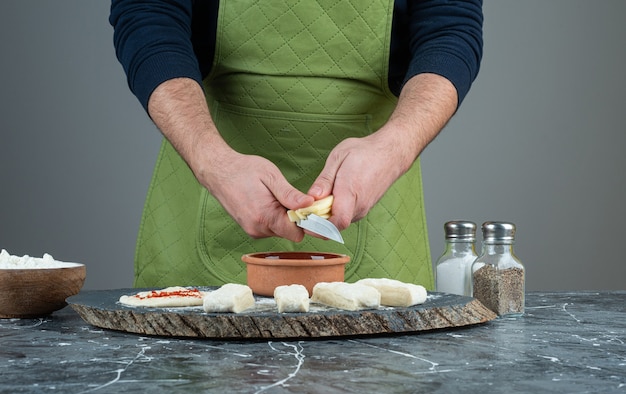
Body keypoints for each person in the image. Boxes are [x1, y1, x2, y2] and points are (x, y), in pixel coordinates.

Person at [109, 0, 483, 289]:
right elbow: (147, 15)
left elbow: (450, 29)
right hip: (206, 186)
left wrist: (395, 145)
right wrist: (214, 161)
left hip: (376, 219)